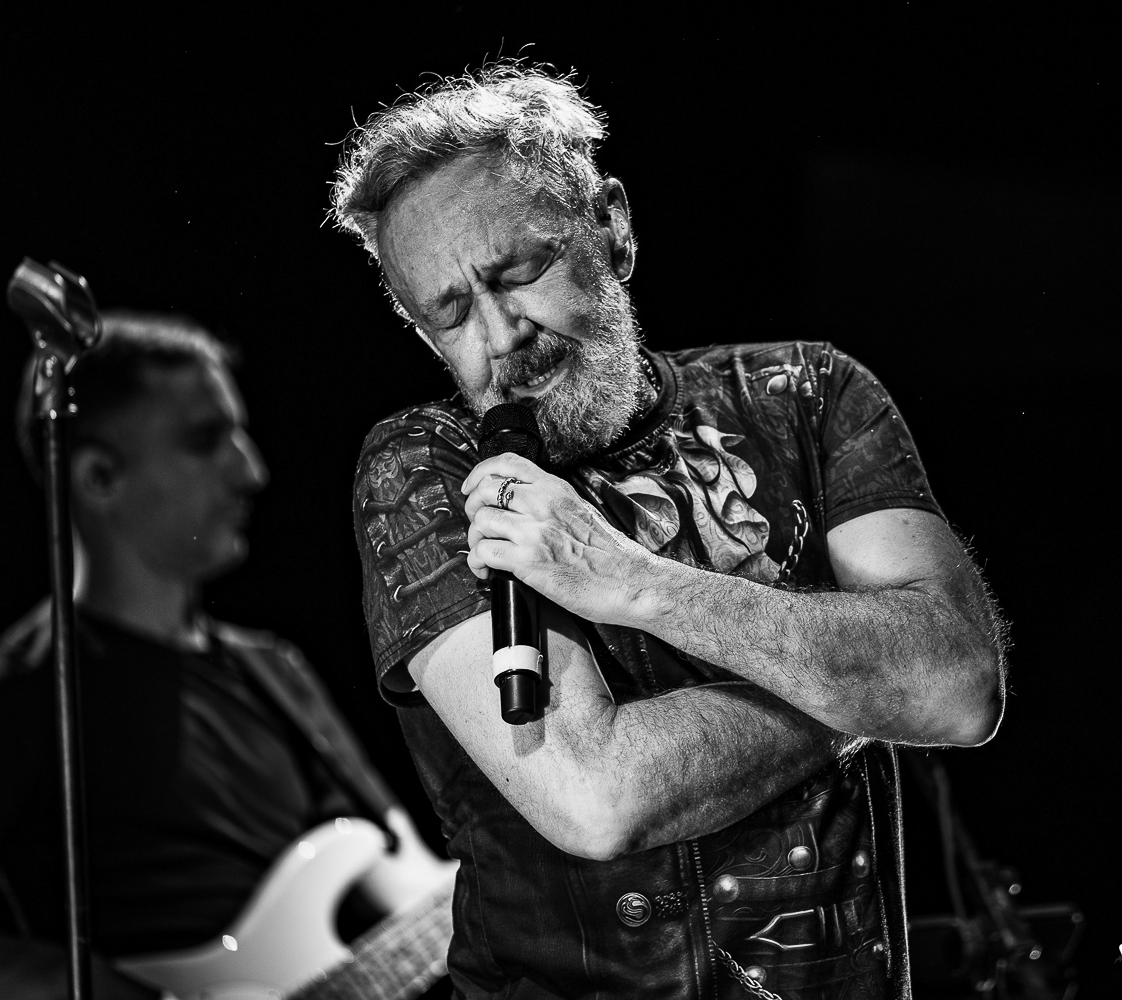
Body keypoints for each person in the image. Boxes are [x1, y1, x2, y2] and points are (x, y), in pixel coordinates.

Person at [330, 61, 1008, 1000]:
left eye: (518, 272)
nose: (502, 334)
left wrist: (634, 582)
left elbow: (961, 683)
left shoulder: (808, 391)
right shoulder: (423, 466)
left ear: (612, 227)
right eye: (450, 314)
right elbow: (597, 795)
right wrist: (867, 687)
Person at [0, 314, 451, 1000]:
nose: (250, 471)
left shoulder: (276, 671)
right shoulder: (22, 690)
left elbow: (402, 874)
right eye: (205, 440)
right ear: (98, 476)